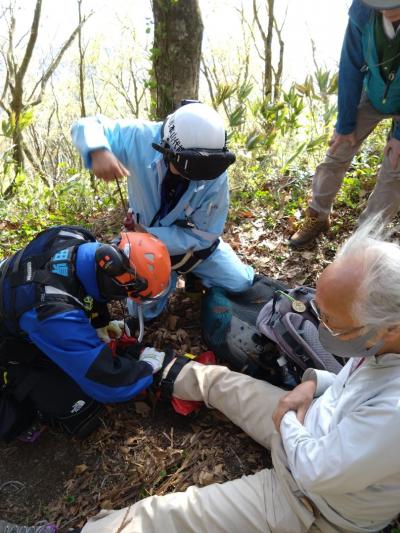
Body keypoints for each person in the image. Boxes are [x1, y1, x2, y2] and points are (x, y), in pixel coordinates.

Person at [79, 220, 400, 533]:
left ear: (389, 328)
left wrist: (286, 415)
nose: (323, 325)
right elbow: (349, 385)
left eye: (332, 323)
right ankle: (153, 366)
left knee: (161, 516)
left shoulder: (394, 413)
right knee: (219, 382)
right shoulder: (380, 343)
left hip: (310, 501)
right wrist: (314, 383)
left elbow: (315, 471)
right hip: (307, 423)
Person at [71, 102, 254, 320]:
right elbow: (86, 125)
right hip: (143, 249)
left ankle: (195, 276)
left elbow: (205, 234)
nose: (195, 177)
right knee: (143, 311)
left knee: (241, 284)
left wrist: (150, 235)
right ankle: (167, 280)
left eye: (203, 171)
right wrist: (98, 149)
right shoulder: (139, 138)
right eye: (190, 169)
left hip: (195, 249)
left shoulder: (214, 170)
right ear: (167, 148)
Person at [0, 225, 170, 441]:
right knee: (78, 406)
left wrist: (101, 321)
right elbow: (107, 383)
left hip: (13, 293)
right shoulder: (53, 312)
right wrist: (147, 368)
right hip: (14, 325)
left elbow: (88, 279)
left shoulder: (73, 235)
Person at [290, 0, 400, 248]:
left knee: (395, 171)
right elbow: (351, 65)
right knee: (338, 148)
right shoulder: (362, 12)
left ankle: (365, 240)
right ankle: (318, 216)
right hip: (372, 94)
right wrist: (345, 123)